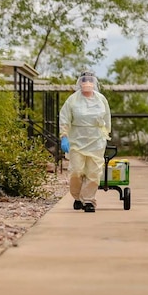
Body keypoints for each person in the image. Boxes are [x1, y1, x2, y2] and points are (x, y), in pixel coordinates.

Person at [59, 70, 112, 213]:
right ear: (80, 83)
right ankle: (77, 197)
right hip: (77, 139)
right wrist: (64, 136)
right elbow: (64, 118)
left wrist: (106, 134)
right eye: (84, 80)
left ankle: (89, 200)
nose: (87, 83)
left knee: (94, 172)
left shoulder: (101, 100)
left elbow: (107, 119)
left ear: (94, 82)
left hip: (96, 140)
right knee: (76, 171)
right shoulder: (72, 100)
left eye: (90, 80)